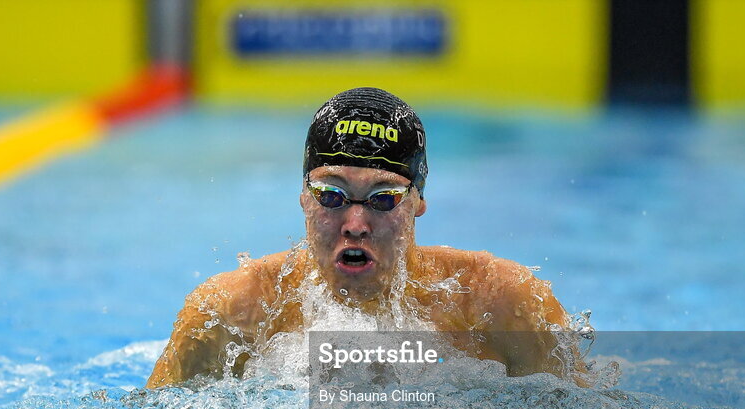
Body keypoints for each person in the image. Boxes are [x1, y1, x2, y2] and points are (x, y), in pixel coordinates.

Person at [147, 87, 576, 388]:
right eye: (331, 195)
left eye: (382, 198)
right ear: (303, 197)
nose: (354, 222)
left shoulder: (502, 304)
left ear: (417, 201)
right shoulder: (231, 312)